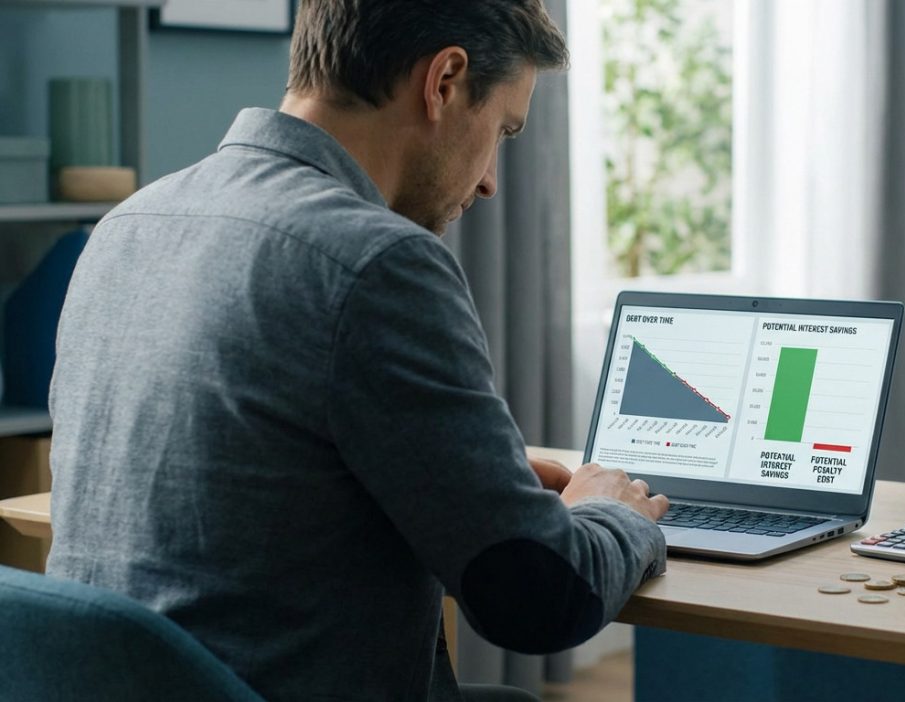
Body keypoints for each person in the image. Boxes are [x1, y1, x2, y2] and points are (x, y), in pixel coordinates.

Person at [45, 1, 669, 700]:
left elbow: (235, 462)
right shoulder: (378, 260)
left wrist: (454, 467)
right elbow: (540, 598)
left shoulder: (128, 227)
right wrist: (609, 509)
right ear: (445, 81)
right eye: (502, 131)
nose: (491, 179)